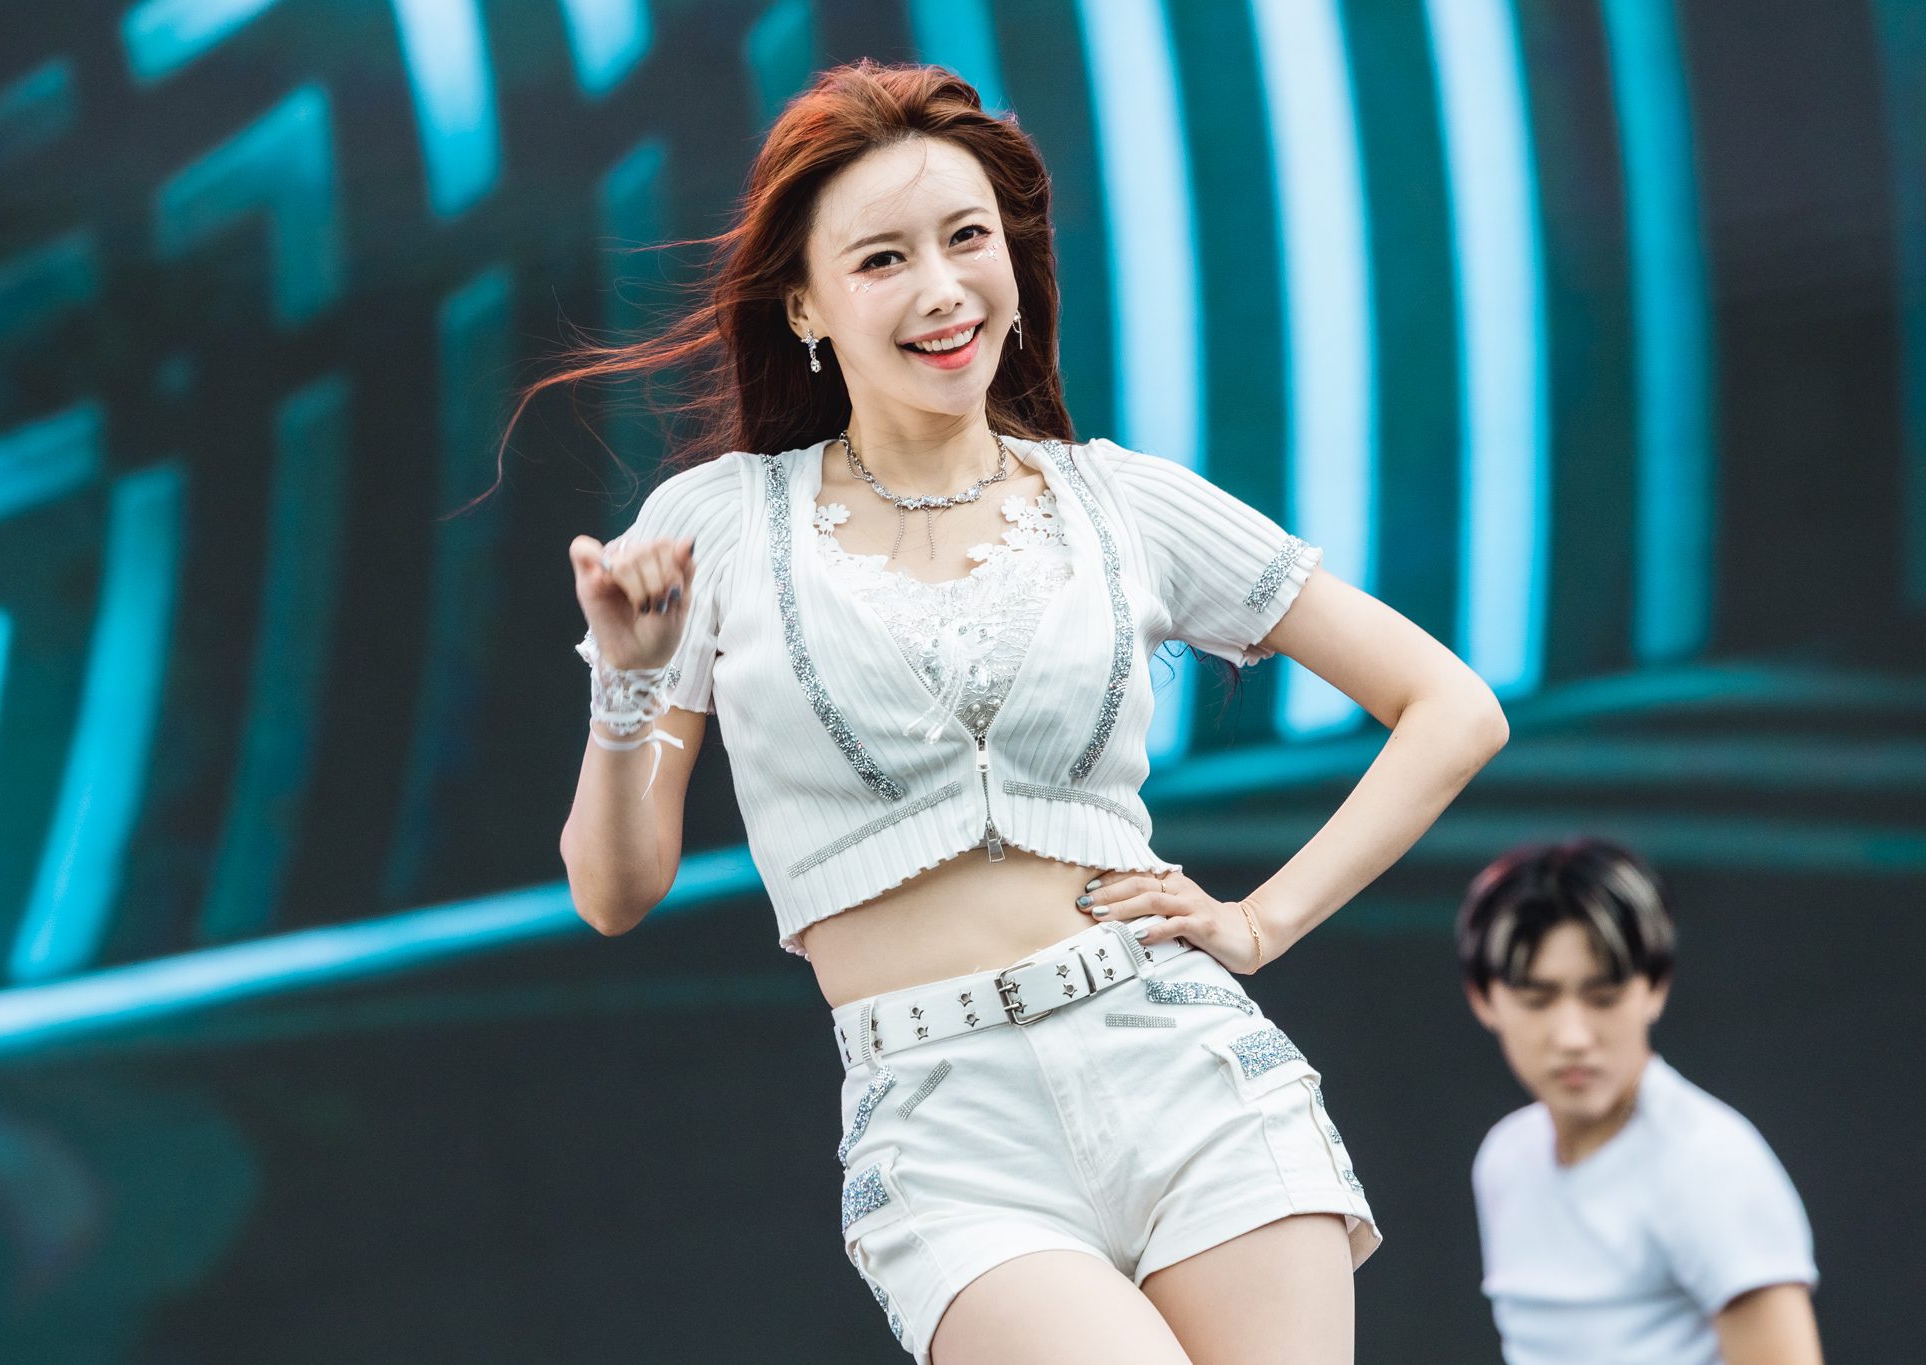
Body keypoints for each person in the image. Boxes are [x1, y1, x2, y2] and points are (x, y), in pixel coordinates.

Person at [546, 60, 1507, 1365]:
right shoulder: (714, 528)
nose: (942, 288)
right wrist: (628, 680)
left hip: (1180, 1065)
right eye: (882, 258)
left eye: (967, 238)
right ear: (805, 304)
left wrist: (1260, 920)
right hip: (943, 1129)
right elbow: (613, 891)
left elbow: (1451, 705)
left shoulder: (1120, 499)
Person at [1457, 838, 1822, 1365]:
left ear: (1655, 987)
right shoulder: (1504, 1159)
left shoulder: (1713, 1164)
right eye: (1537, 999)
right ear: (1483, 999)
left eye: (1603, 997)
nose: (1573, 1036)